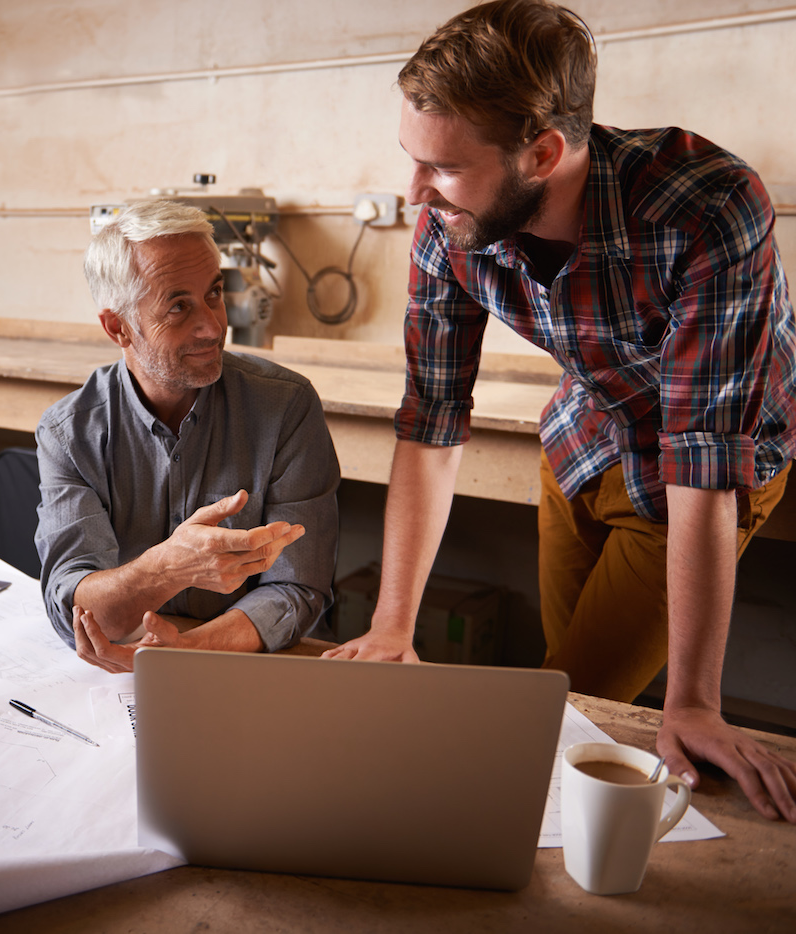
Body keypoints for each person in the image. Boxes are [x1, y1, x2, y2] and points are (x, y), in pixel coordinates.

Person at [325, 0, 796, 822]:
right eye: (412, 159)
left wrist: (692, 702)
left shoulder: (710, 207)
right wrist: (393, 628)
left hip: (700, 476)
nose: (415, 193)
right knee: (563, 684)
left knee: (553, 707)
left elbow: (704, 456)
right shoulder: (451, 224)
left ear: (543, 152)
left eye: (442, 167)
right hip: (579, 444)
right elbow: (432, 418)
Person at [36, 199, 339, 673]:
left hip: (242, 667)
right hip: (115, 675)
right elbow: (75, 608)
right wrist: (167, 568)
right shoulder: (69, 433)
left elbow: (298, 588)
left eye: (214, 293)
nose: (212, 326)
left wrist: (182, 655)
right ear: (119, 327)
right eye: (178, 306)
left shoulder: (285, 408)